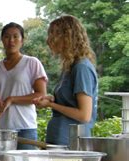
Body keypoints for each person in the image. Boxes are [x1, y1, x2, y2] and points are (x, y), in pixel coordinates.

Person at [33, 15, 98, 146]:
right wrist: (52, 99)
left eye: (55, 34)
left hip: (70, 143)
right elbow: (70, 103)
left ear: (68, 37)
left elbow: (84, 115)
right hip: (60, 139)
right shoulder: (70, 66)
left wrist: (51, 105)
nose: (49, 40)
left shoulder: (81, 68)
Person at [0, 22, 48, 149]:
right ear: (2, 40)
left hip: (24, 127)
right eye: (7, 37)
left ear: (22, 40)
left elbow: (41, 95)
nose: (11, 41)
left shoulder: (32, 63)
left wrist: (12, 99)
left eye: (15, 36)